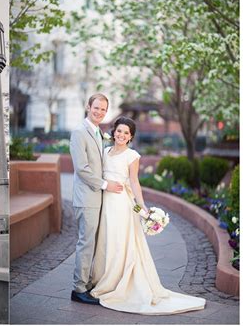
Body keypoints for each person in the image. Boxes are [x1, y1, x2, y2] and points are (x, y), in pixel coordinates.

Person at [90, 116, 205, 314]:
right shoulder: (105, 151)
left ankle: (116, 282)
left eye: (126, 133)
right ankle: (102, 278)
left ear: (131, 137)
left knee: (119, 243)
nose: (121, 135)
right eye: (119, 131)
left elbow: (134, 182)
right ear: (113, 131)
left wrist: (142, 207)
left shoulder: (132, 155)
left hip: (121, 204)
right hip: (104, 202)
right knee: (105, 241)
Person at [69, 93, 124, 305]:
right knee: (86, 243)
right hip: (87, 198)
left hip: (99, 198)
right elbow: (82, 169)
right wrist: (105, 185)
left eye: (103, 109)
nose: (99, 112)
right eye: (96, 108)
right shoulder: (79, 133)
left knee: (95, 243)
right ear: (88, 106)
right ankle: (78, 288)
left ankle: (90, 282)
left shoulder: (98, 132)